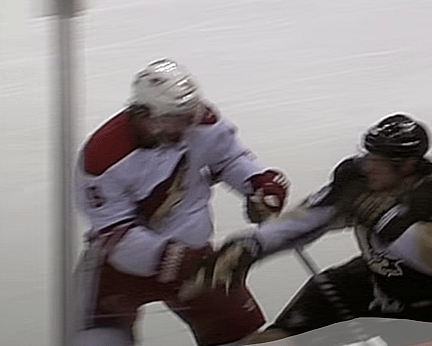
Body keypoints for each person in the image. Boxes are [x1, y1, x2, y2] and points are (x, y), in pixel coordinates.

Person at [182, 113, 432, 344]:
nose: (369, 165)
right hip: (369, 281)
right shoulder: (358, 178)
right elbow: (308, 219)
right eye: (369, 155)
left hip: (429, 304)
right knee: (274, 339)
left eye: (379, 160)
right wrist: (250, 246)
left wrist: (387, 221)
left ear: (408, 165)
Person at [73, 58, 290, 346]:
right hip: (118, 270)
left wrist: (258, 184)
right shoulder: (102, 157)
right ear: (143, 115)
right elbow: (115, 232)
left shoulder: (200, 121)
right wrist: (174, 259)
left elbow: (229, 158)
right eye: (178, 118)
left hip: (194, 258)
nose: (190, 124)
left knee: (245, 338)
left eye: (192, 113)